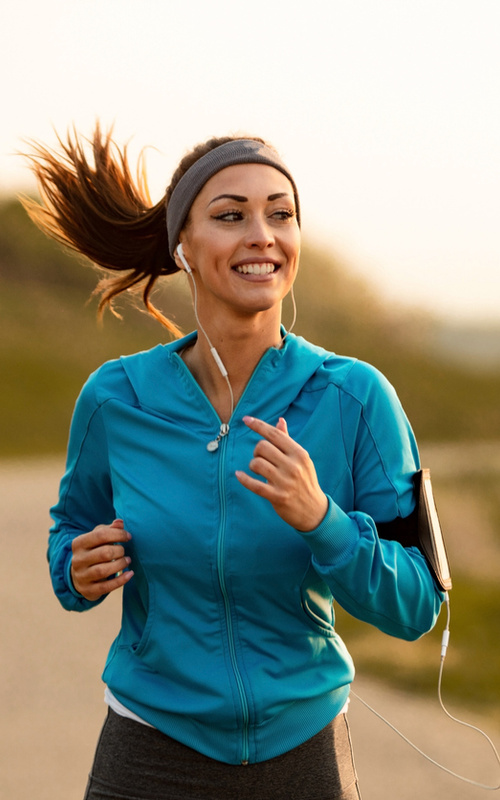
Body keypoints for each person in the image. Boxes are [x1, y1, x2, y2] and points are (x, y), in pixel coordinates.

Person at [26, 126, 444, 800]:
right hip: (148, 747)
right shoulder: (116, 398)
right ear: (182, 246)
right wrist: (74, 568)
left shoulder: (355, 397)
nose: (262, 234)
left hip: (301, 751)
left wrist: (323, 521)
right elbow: (68, 535)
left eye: (281, 214)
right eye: (230, 216)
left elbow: (418, 604)